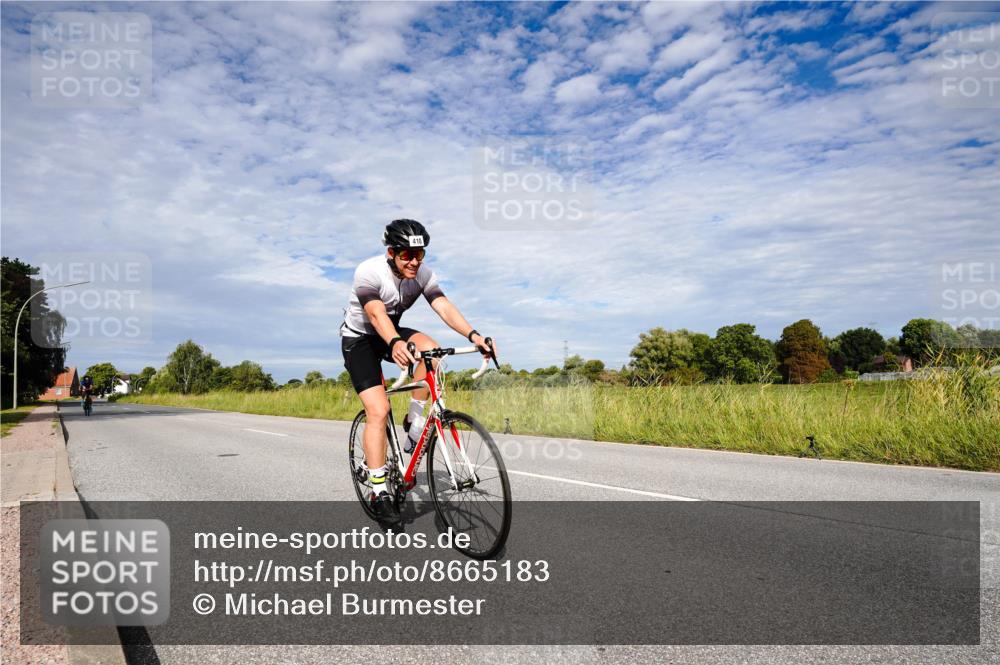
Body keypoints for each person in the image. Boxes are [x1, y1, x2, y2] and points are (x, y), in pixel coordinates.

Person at [341, 219, 497, 525]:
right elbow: (375, 313)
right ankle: (378, 488)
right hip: (360, 339)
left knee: (432, 353)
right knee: (378, 409)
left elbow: (443, 306)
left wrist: (475, 336)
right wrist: (395, 341)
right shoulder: (369, 272)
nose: (414, 262)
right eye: (406, 255)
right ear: (391, 253)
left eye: (420, 254)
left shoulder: (422, 274)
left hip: (392, 332)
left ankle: (414, 422)